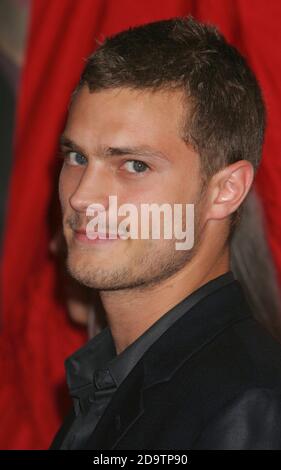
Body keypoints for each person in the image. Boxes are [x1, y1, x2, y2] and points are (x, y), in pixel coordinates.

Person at [49, 16, 281, 450]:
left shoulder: (251, 407)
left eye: (134, 165)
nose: (82, 197)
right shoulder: (107, 380)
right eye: (77, 157)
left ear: (225, 191)